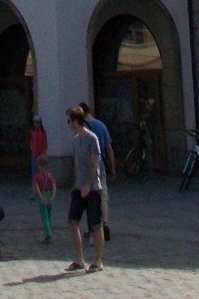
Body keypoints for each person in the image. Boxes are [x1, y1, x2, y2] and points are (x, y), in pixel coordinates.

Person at [63, 107, 105, 273]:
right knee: (72, 222)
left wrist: (88, 184)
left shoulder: (92, 138)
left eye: (69, 121)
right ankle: (80, 259)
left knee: (95, 224)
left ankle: (98, 261)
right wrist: (76, 185)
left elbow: (95, 164)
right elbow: (76, 165)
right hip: (79, 188)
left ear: (75, 121)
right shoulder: (75, 140)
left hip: (93, 189)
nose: (68, 124)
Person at [79, 102, 114, 240]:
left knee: (89, 198)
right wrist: (113, 168)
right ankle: (105, 223)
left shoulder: (82, 128)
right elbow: (109, 148)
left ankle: (93, 229)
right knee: (103, 195)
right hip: (101, 166)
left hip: (87, 168)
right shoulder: (101, 125)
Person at [32, 162, 58, 244]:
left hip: (43, 195)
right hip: (49, 195)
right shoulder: (50, 176)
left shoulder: (37, 177)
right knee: (49, 216)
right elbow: (54, 187)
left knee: (45, 217)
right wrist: (52, 197)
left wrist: (41, 198)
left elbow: (37, 189)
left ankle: (48, 234)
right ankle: (49, 233)